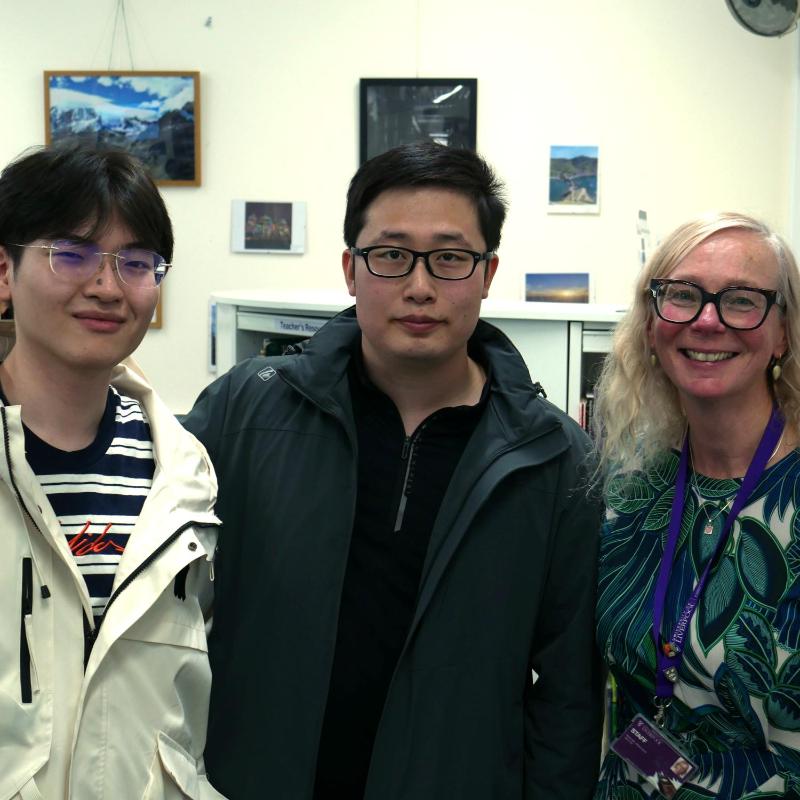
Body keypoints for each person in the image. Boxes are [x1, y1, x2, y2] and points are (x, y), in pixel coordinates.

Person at [184, 141, 603, 799]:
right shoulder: (248, 410)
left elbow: (568, 692)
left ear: (488, 273)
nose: (419, 286)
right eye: (391, 254)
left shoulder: (553, 460)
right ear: (351, 269)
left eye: (450, 257)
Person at [0, 146, 223, 799]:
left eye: (136, 263)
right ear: (5, 272)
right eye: (71, 253)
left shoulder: (185, 475)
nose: (105, 286)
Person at [593, 212, 800, 798]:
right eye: (682, 296)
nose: (707, 321)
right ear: (653, 322)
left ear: (783, 331)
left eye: (741, 300)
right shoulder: (625, 487)